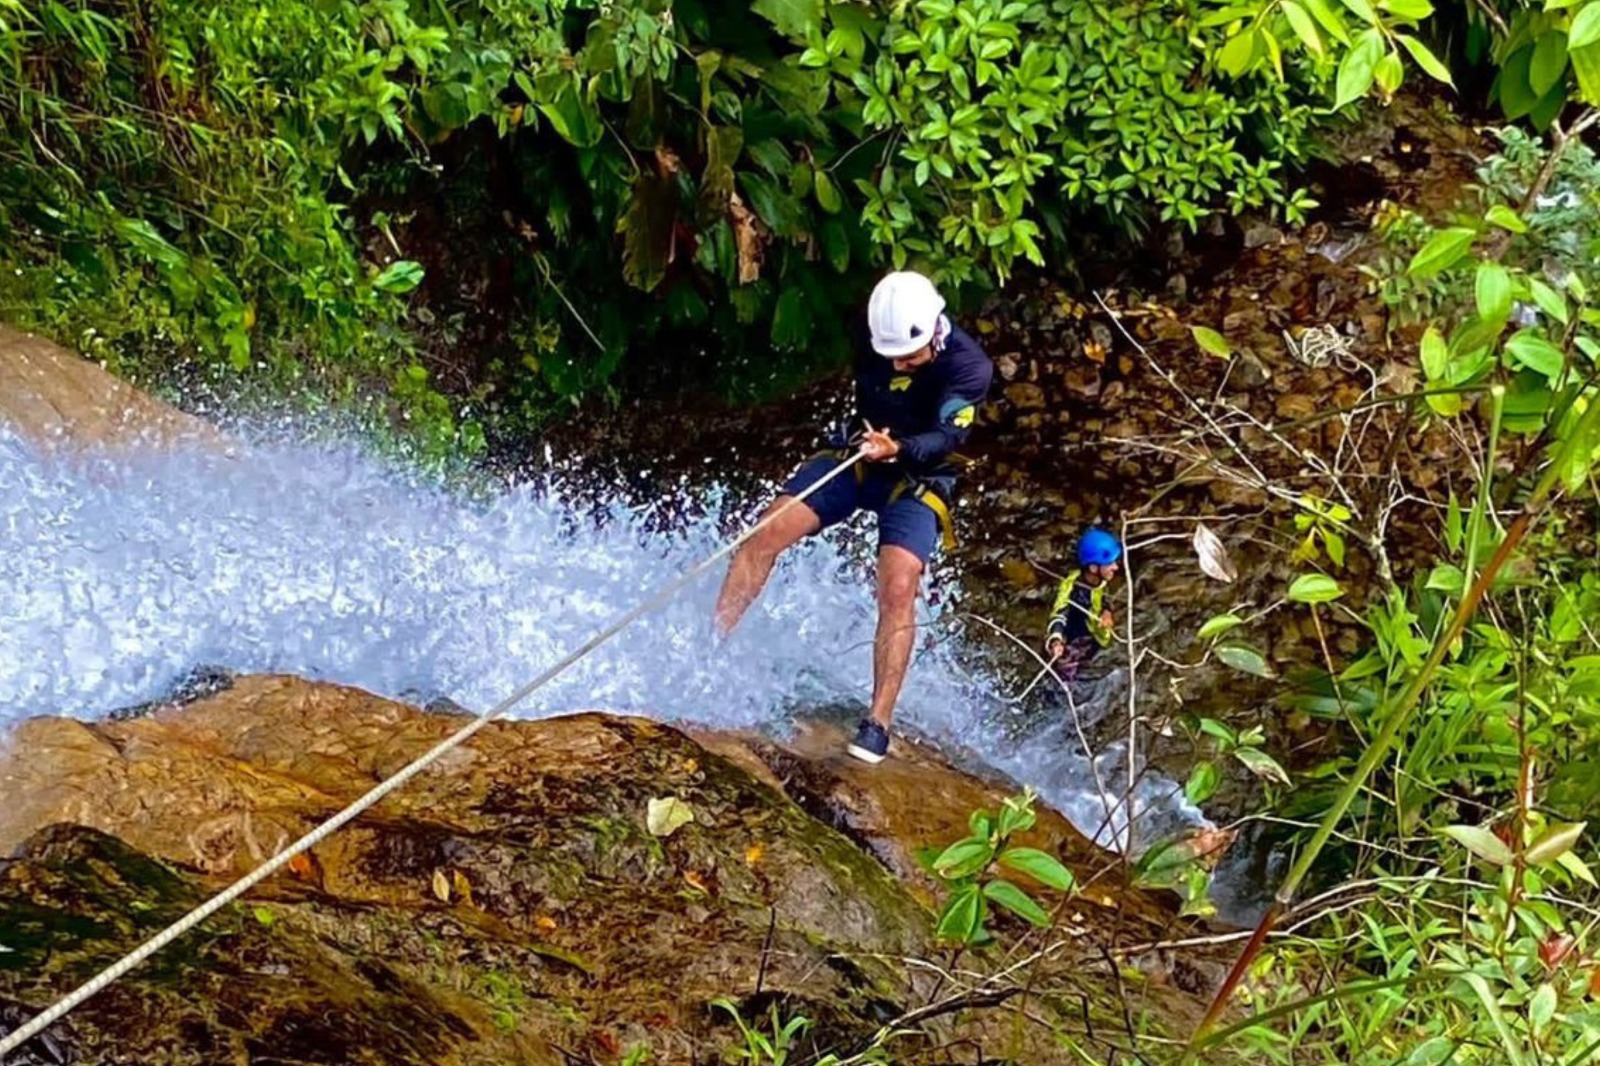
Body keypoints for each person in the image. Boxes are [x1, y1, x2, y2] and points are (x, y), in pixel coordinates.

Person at [713, 270, 994, 764]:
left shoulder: (969, 367)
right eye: (892, 357)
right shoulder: (872, 334)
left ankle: (877, 723)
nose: (900, 364)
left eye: (908, 356)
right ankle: (711, 649)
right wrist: (874, 445)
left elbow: (948, 438)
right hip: (860, 454)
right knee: (763, 532)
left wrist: (899, 447)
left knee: (899, 583)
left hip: (919, 477)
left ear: (934, 331)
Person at [1044, 528, 1122, 683]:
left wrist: (1107, 612)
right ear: (1094, 568)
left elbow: (1104, 596)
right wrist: (1056, 641)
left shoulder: (1100, 581)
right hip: (1073, 643)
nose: (1116, 567)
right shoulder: (1072, 589)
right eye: (1110, 563)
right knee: (1067, 680)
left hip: (1093, 640)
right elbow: (1060, 614)